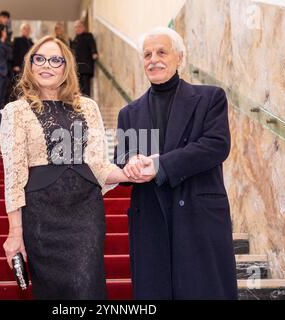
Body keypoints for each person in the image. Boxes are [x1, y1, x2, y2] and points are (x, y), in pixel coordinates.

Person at [0, 36, 134, 299]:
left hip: (86, 212)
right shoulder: (15, 111)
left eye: (55, 60)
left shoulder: (88, 107)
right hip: (41, 215)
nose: (45, 65)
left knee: (86, 286)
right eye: (39, 59)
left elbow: (98, 165)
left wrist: (129, 173)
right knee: (52, 291)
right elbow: (14, 176)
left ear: (66, 67)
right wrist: (15, 233)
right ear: (30, 65)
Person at [114, 27, 238, 299]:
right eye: (147, 54)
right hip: (149, 219)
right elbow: (121, 159)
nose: (153, 59)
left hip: (198, 217)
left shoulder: (210, 98)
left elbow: (216, 145)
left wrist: (161, 165)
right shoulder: (129, 113)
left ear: (179, 58)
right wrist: (131, 163)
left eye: (161, 52)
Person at [70, 20, 98, 97]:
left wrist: (94, 52)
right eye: (75, 27)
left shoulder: (88, 35)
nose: (77, 29)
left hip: (86, 67)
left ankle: (87, 102)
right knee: (79, 87)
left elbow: (92, 45)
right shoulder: (75, 38)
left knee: (86, 87)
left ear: (83, 27)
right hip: (77, 68)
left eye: (79, 27)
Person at [10, 23, 34, 100]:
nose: (26, 31)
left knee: (27, 88)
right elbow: (13, 53)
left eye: (28, 29)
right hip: (18, 68)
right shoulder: (17, 40)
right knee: (18, 88)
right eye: (24, 29)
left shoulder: (31, 43)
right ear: (21, 30)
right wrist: (15, 65)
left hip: (29, 70)